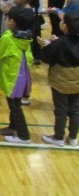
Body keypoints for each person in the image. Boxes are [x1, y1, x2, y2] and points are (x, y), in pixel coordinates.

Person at [0, 7, 34, 144]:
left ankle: (24, 136)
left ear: (12, 22)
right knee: (15, 103)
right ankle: (13, 127)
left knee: (15, 106)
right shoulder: (26, 37)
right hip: (23, 77)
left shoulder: (8, 38)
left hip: (13, 78)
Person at [37, 12, 79, 147]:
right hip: (77, 82)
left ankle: (58, 137)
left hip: (60, 81)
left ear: (65, 26)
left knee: (61, 109)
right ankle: (73, 137)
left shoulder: (60, 42)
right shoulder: (62, 42)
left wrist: (46, 45)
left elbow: (46, 58)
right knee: (75, 110)